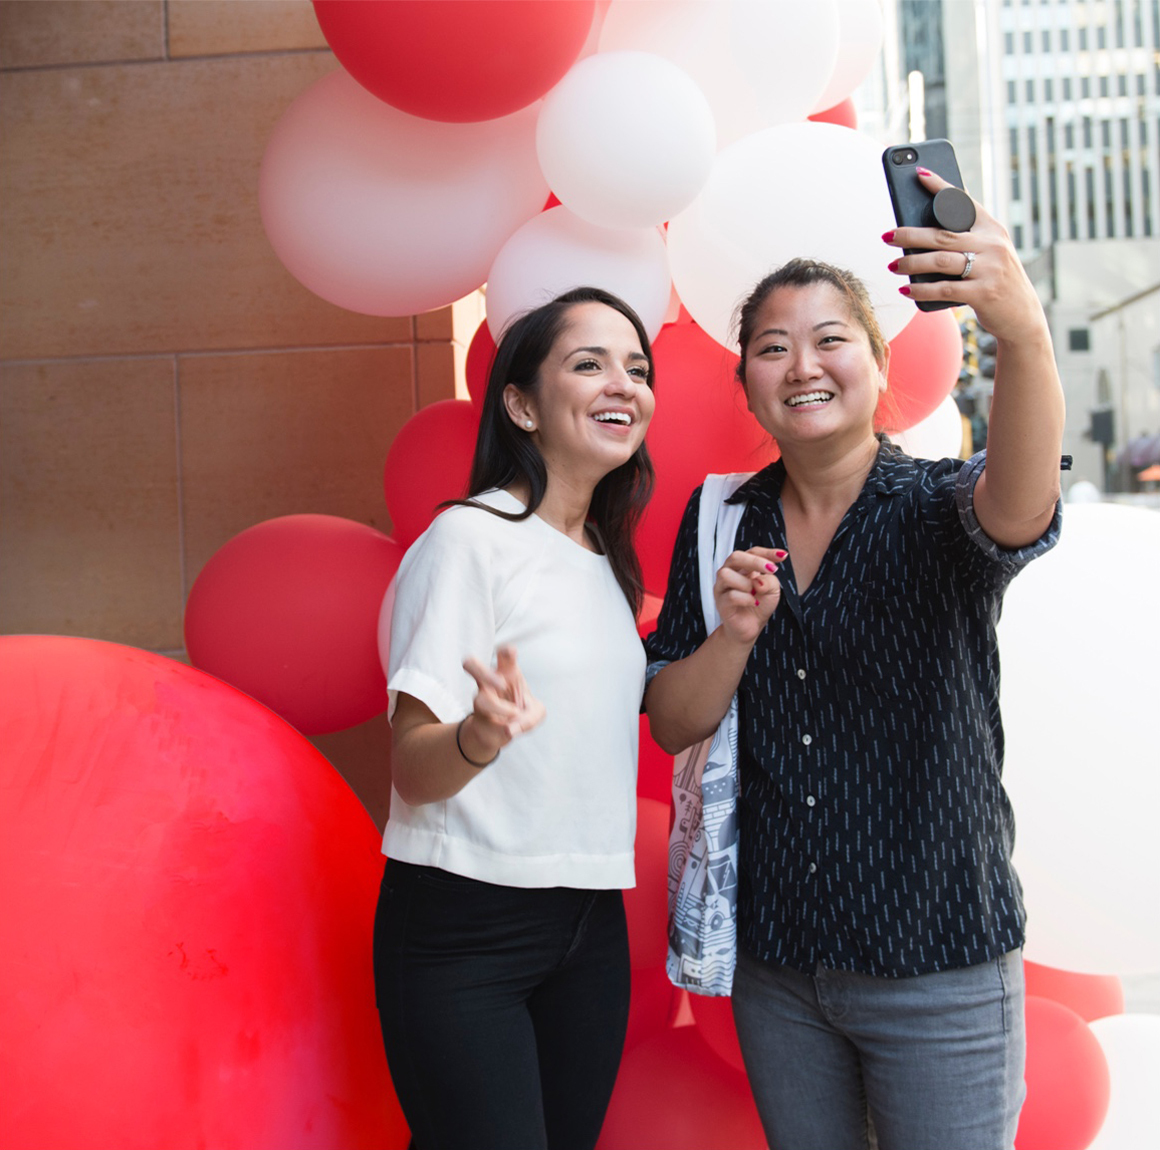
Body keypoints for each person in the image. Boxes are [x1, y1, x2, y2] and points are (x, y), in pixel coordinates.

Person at [644, 168, 1065, 1150]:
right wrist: (732, 635)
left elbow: (1021, 506)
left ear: (876, 366)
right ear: (745, 380)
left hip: (938, 962)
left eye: (830, 339)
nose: (802, 365)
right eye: (771, 347)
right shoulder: (719, 520)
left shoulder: (938, 508)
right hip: (780, 969)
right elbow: (672, 718)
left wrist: (1020, 329)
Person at [373, 286, 656, 1150]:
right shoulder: (469, 541)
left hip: (589, 925)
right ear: (521, 404)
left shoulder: (604, 556)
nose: (623, 384)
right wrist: (478, 736)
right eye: (589, 363)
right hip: (464, 925)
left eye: (638, 369)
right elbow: (412, 769)